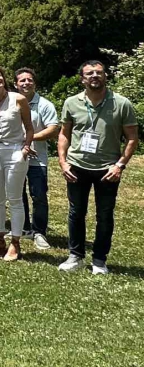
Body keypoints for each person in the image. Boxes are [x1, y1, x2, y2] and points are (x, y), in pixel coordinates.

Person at [58, 61, 139, 275]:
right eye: (89, 73)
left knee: (104, 215)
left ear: (105, 76)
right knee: (76, 213)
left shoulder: (121, 103)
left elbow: (132, 138)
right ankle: (75, 256)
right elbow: (64, 134)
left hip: (108, 169)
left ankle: (99, 260)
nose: (95, 76)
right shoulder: (71, 103)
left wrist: (120, 165)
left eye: (99, 72)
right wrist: (63, 162)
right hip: (77, 166)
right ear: (82, 79)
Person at [0, 65, 34, 261]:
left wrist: (26, 148)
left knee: (15, 198)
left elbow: (29, 127)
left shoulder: (18, 99)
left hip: (14, 152)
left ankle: (15, 242)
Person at [14, 68, 59, 250]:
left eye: (29, 80)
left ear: (35, 83)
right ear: (16, 84)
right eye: (22, 80)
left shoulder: (45, 105)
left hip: (37, 159)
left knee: (38, 195)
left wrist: (29, 140)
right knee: (18, 194)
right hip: (15, 157)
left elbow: (53, 129)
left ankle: (39, 232)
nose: (26, 83)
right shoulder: (11, 103)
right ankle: (24, 229)